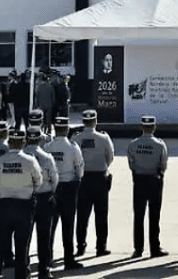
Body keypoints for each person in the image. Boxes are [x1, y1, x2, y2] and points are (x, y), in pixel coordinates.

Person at [0, 131, 42, 279]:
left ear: (9, 142)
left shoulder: (0, 161)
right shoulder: (30, 161)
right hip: (24, 208)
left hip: (4, 206)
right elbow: (38, 183)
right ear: (23, 143)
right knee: (21, 248)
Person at [44, 116, 84, 271]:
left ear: (55, 128)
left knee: (50, 226)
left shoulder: (47, 147)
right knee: (68, 226)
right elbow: (79, 169)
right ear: (67, 130)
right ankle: (68, 259)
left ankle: (47, 258)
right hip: (69, 188)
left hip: (51, 189)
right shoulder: (73, 147)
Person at [74, 109, 115, 257]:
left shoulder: (76, 138)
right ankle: (101, 246)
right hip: (100, 178)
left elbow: (75, 161)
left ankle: (80, 246)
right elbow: (110, 157)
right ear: (95, 121)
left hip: (83, 179)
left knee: (82, 215)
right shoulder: (104, 138)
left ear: (83, 121)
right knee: (101, 214)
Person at [128, 115, 168, 259]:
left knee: (138, 216)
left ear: (142, 127)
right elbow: (163, 165)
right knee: (154, 216)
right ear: (154, 127)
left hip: (139, 180)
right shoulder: (159, 144)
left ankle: (138, 249)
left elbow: (131, 164)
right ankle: (154, 248)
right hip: (154, 180)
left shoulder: (133, 144)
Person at [22, 126, 59, 279]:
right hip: (44, 198)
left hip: (24, 199)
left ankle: (24, 269)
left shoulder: (21, 157)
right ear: (39, 139)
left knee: (24, 237)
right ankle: (44, 269)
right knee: (44, 236)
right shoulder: (46, 157)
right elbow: (54, 180)